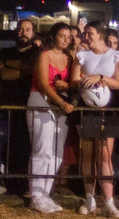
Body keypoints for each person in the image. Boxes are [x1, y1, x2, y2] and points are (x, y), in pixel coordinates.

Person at [74, 24, 119, 218]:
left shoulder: (115, 55)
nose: (87, 36)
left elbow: (118, 83)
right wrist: (85, 80)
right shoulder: (82, 55)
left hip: (108, 110)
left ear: (101, 35)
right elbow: (73, 79)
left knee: (104, 156)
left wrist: (101, 77)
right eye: (86, 33)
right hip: (88, 109)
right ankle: (89, 197)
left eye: (90, 33)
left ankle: (109, 201)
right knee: (87, 154)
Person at [28, 22, 77, 214]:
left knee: (56, 151)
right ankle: (36, 195)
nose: (66, 39)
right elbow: (43, 83)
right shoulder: (44, 54)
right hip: (41, 101)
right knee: (41, 149)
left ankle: (45, 192)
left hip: (60, 105)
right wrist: (61, 102)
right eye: (62, 36)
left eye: (68, 37)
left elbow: (72, 83)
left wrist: (67, 89)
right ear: (53, 36)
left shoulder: (69, 57)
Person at [0, 20, 42, 202]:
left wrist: (11, 66)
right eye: (21, 29)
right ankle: (9, 185)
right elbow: (2, 73)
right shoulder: (5, 52)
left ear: (34, 32)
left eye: (28, 29)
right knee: (7, 147)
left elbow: (31, 71)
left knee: (25, 147)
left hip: (27, 105)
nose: (24, 32)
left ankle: (24, 186)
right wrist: (21, 69)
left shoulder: (37, 54)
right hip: (7, 107)